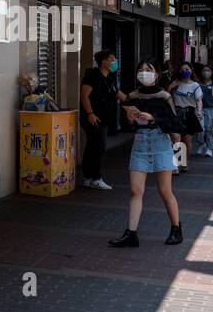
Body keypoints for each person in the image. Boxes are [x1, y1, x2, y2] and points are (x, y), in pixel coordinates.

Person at [111, 59, 182, 247]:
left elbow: (174, 124)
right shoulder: (133, 96)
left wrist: (154, 118)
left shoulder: (164, 96)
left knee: (165, 191)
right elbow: (127, 124)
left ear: (157, 74)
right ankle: (131, 234)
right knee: (135, 190)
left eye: (148, 70)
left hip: (160, 143)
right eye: (140, 70)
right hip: (140, 144)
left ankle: (176, 228)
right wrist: (130, 118)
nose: (144, 73)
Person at [80, 50, 122, 189]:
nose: (114, 62)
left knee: (93, 146)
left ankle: (88, 177)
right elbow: (84, 95)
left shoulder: (109, 78)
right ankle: (96, 178)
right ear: (103, 62)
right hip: (93, 118)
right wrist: (90, 113)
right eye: (112, 59)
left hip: (103, 118)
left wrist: (133, 101)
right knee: (99, 146)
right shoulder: (92, 75)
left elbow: (117, 94)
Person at [168, 62, 202, 174]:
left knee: (187, 140)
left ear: (191, 71)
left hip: (189, 113)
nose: (185, 71)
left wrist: (200, 111)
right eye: (182, 69)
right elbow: (166, 96)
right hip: (176, 113)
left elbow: (199, 100)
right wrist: (170, 87)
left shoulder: (195, 85)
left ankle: (184, 161)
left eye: (187, 69)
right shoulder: (176, 83)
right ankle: (176, 164)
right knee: (176, 138)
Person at [197, 65, 213, 158]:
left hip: (211, 109)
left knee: (209, 129)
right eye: (204, 70)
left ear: (212, 72)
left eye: (208, 70)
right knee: (200, 129)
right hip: (199, 108)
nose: (206, 72)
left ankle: (209, 148)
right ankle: (201, 144)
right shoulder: (198, 84)